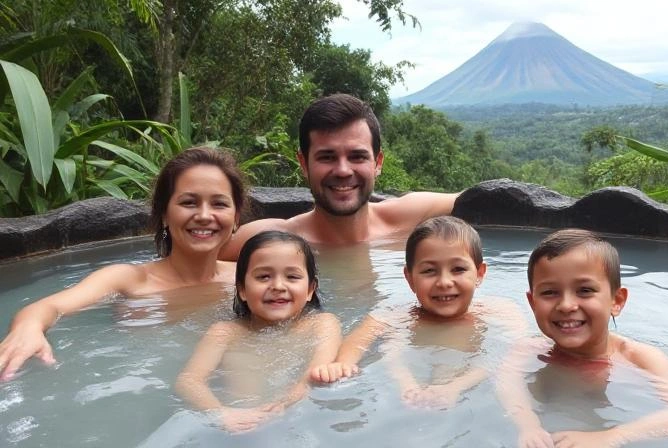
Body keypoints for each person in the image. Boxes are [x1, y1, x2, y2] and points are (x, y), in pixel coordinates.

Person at [0, 147, 247, 381]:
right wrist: (28, 329)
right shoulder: (128, 280)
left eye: (219, 204)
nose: (204, 216)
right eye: (189, 202)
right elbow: (49, 307)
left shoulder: (246, 277)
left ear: (235, 218)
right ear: (164, 215)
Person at [497, 229, 668, 448]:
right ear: (533, 303)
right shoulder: (528, 350)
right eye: (550, 292)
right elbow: (507, 384)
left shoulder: (639, 359)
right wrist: (528, 426)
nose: (566, 305)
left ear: (616, 301)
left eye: (585, 290)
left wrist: (612, 436)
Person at [310, 216, 525, 409]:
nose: (444, 282)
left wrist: (455, 387)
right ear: (410, 278)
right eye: (429, 271)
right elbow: (357, 342)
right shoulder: (395, 316)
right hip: (400, 392)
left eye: (458, 269)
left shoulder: (501, 312)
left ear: (479, 274)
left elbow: (511, 357)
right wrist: (342, 365)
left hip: (472, 398)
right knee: (392, 347)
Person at [220, 93, 458, 256]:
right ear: (303, 163)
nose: (343, 171)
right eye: (327, 157)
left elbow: (480, 198)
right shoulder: (269, 240)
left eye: (357, 156)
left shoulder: (409, 219)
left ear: (378, 162)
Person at [175, 230, 341, 433]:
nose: (278, 286)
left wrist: (283, 405)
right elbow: (189, 381)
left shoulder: (321, 324)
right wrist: (221, 413)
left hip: (298, 419)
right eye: (263, 277)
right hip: (238, 426)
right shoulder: (225, 332)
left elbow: (314, 373)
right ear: (242, 289)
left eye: (292, 276)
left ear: (310, 290)